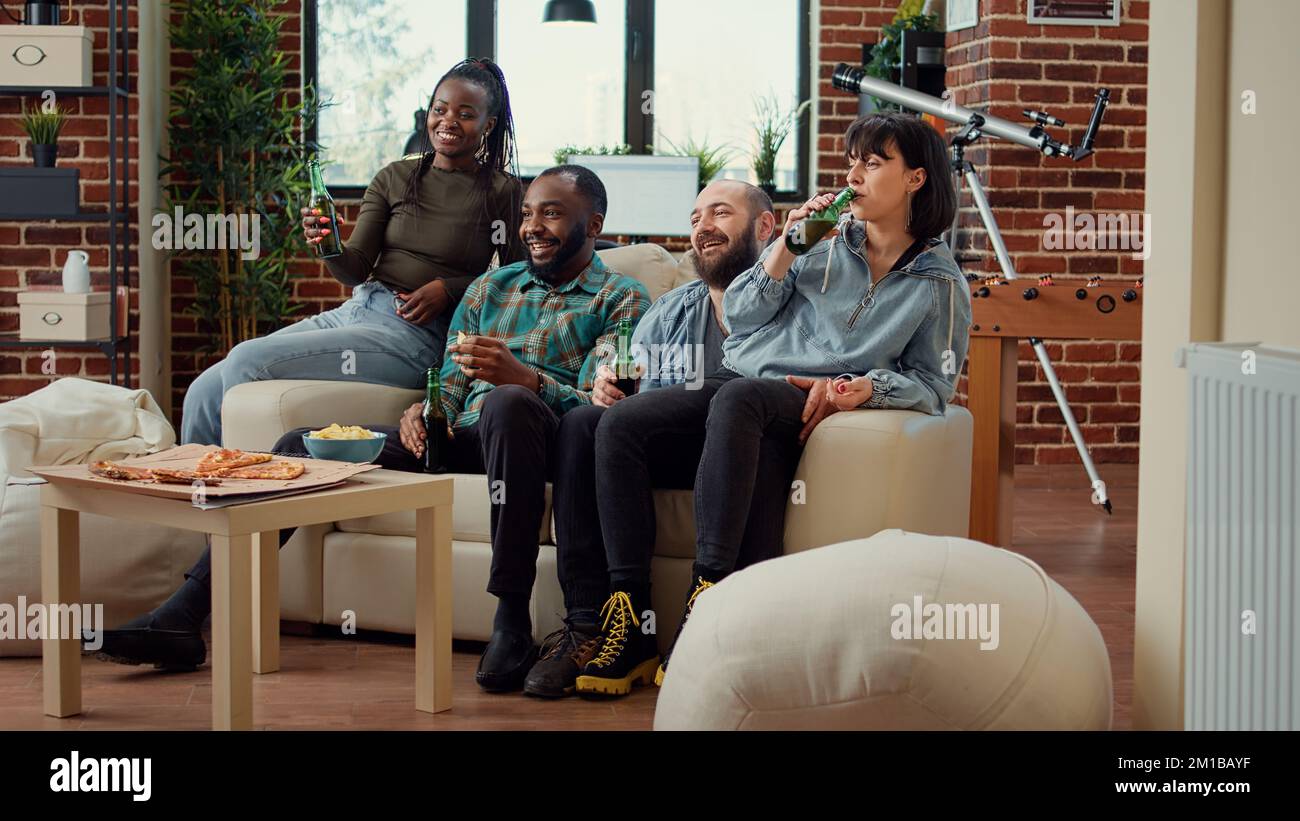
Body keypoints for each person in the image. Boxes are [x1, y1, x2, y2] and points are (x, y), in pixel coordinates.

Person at [91, 166, 651, 686]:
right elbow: (450, 376)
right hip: (460, 438)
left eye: (551, 213)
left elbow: (597, 408)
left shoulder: (620, 298)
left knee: (508, 403)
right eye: (528, 213)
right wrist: (423, 410)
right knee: (297, 445)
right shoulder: (490, 288)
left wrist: (526, 380)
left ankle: (509, 623)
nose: (532, 226)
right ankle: (183, 613)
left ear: (593, 224)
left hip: (539, 440)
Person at [575, 112, 973, 697]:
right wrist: (787, 244)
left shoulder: (939, 285)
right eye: (852, 162)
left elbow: (934, 385)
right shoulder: (821, 246)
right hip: (741, 386)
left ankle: (706, 599)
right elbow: (740, 313)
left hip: (794, 400)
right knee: (620, 423)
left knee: (739, 401)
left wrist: (869, 387)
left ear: (916, 179)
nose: (854, 175)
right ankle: (629, 615)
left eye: (872, 162)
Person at [180, 58, 525, 447]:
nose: (447, 122)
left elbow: (513, 281)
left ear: (488, 125)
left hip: (416, 337)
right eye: (439, 109)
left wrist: (449, 288)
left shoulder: (502, 191)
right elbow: (355, 269)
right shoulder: (394, 177)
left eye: (465, 114)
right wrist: (329, 246)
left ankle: (247, 492)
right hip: (358, 310)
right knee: (203, 391)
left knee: (246, 359)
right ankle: (197, 490)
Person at [520, 179, 778, 698]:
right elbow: (636, 383)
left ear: (765, 227)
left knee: (724, 399)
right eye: (695, 217)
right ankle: (601, 621)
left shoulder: (793, 297)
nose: (703, 227)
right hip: (676, 452)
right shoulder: (671, 310)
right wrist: (607, 388)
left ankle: (702, 604)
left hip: (751, 448)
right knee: (583, 424)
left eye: (720, 213)